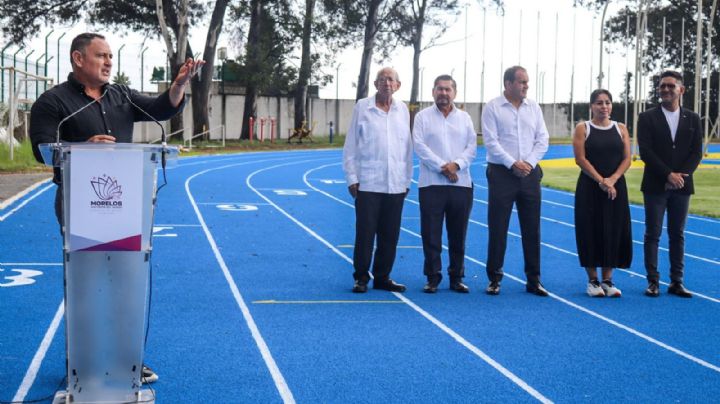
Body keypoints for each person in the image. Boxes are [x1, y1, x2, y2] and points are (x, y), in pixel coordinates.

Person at [29, 32, 203, 383]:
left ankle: (129, 362)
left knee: (126, 285)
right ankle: (82, 363)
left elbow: (161, 109)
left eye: (111, 56)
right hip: (80, 204)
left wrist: (179, 85)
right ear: (79, 59)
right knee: (86, 286)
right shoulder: (53, 102)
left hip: (125, 204)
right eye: (101, 56)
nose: (109, 62)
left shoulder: (120, 94)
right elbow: (42, 148)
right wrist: (82, 146)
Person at [342, 67, 413, 293]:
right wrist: (351, 178)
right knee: (365, 232)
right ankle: (361, 277)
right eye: (382, 80)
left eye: (391, 79)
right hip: (368, 182)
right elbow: (351, 145)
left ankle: (383, 276)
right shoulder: (362, 107)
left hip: (395, 183)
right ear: (375, 84)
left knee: (390, 234)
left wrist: (407, 180)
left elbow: (407, 149)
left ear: (398, 85)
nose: (386, 83)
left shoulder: (402, 110)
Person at [481, 65, 549, 296]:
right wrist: (513, 163)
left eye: (527, 82)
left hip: (529, 175)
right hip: (501, 174)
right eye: (522, 82)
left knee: (532, 229)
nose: (526, 86)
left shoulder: (534, 108)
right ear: (508, 84)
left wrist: (528, 163)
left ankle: (534, 279)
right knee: (498, 228)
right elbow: (491, 142)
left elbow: (543, 139)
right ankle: (494, 278)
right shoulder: (492, 107)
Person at [638, 70, 703, 298]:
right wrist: (668, 175)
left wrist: (680, 176)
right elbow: (645, 151)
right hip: (656, 185)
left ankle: (676, 281)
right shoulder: (646, 117)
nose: (665, 89)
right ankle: (653, 281)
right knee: (653, 234)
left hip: (682, 186)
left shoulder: (693, 118)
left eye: (670, 86)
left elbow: (696, 152)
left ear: (681, 90)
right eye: (662, 86)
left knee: (678, 234)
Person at [413, 75, 476, 293]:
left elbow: (472, 147)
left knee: (458, 234)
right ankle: (433, 277)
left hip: (461, 184)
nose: (444, 93)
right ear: (433, 92)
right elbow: (419, 147)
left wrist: (456, 166)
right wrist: (443, 167)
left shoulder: (465, 118)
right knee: (431, 234)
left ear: (454, 93)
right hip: (431, 184)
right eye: (439, 89)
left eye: (448, 89)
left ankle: (456, 277)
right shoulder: (422, 117)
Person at [572, 89, 632, 297]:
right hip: (590, 187)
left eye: (607, 102)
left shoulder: (621, 128)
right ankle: (593, 280)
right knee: (590, 230)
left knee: (614, 230)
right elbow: (580, 159)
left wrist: (612, 180)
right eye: (599, 103)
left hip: (615, 188)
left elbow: (627, 158)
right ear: (592, 106)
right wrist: (600, 180)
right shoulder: (583, 128)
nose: (604, 106)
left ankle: (607, 280)